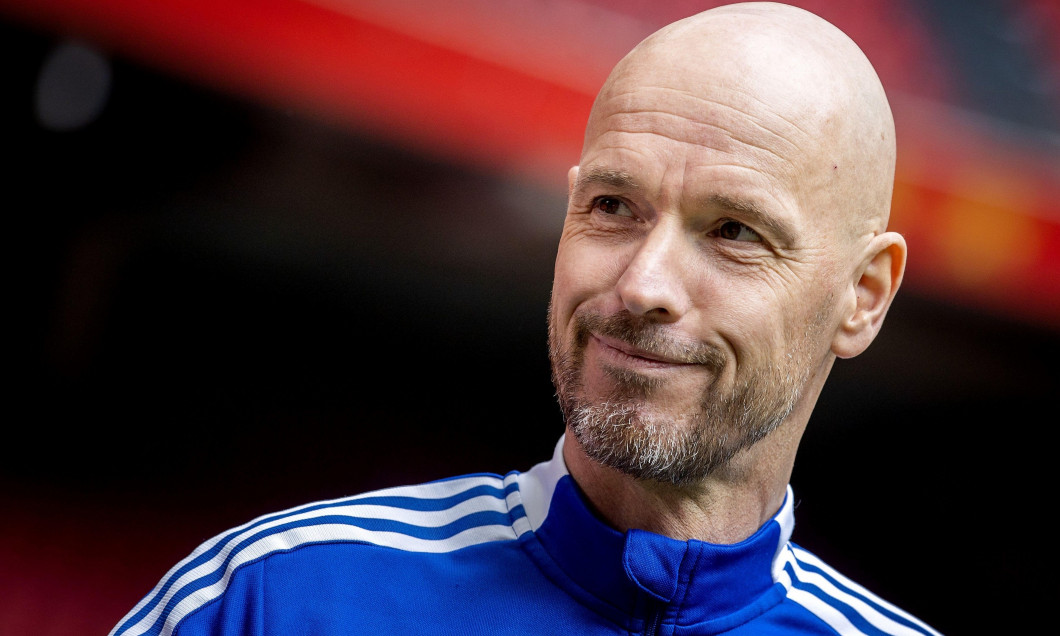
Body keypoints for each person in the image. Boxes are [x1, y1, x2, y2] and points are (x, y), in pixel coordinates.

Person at [110, 3, 941, 635]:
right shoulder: (270, 600)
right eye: (613, 205)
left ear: (864, 295)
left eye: (734, 231)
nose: (643, 284)